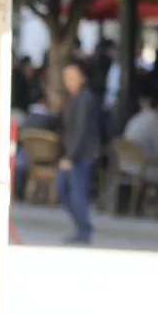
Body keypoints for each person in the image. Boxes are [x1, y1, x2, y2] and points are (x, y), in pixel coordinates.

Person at [58, 60, 100, 243]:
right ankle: (83, 226)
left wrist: (70, 156)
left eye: (73, 77)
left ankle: (84, 230)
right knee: (65, 191)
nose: (69, 81)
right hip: (74, 154)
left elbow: (81, 130)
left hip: (81, 155)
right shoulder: (73, 98)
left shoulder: (85, 99)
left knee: (76, 194)